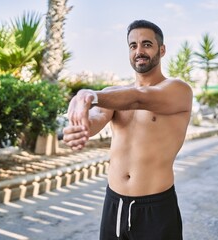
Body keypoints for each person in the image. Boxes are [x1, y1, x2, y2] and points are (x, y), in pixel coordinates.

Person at [63, 19, 193, 240]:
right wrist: (81, 126)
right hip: (115, 204)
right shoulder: (114, 93)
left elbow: (139, 98)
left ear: (162, 50)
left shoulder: (178, 90)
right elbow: (97, 117)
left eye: (146, 44)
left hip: (156, 208)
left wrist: (90, 95)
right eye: (133, 46)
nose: (139, 51)